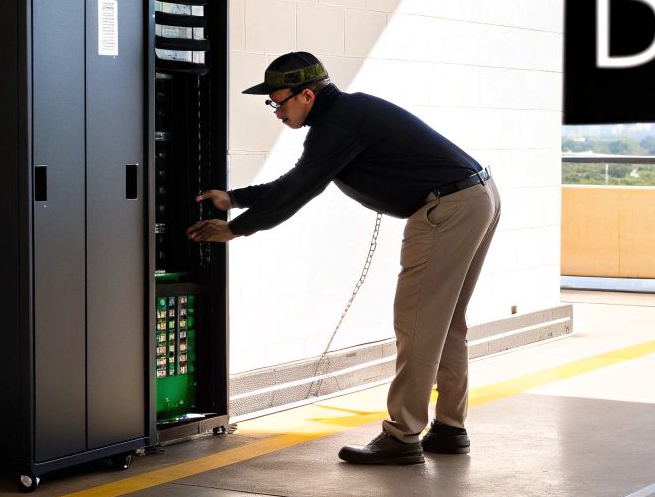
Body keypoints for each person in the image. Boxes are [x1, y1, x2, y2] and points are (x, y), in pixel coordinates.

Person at [187, 52, 501, 465]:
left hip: (448, 209)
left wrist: (236, 228)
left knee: (419, 323)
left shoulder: (334, 126)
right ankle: (449, 428)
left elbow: (299, 189)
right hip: (477, 196)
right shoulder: (345, 115)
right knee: (446, 323)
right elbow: (299, 179)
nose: (276, 111)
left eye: (278, 101)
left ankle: (403, 435)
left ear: (306, 96)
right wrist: (235, 200)